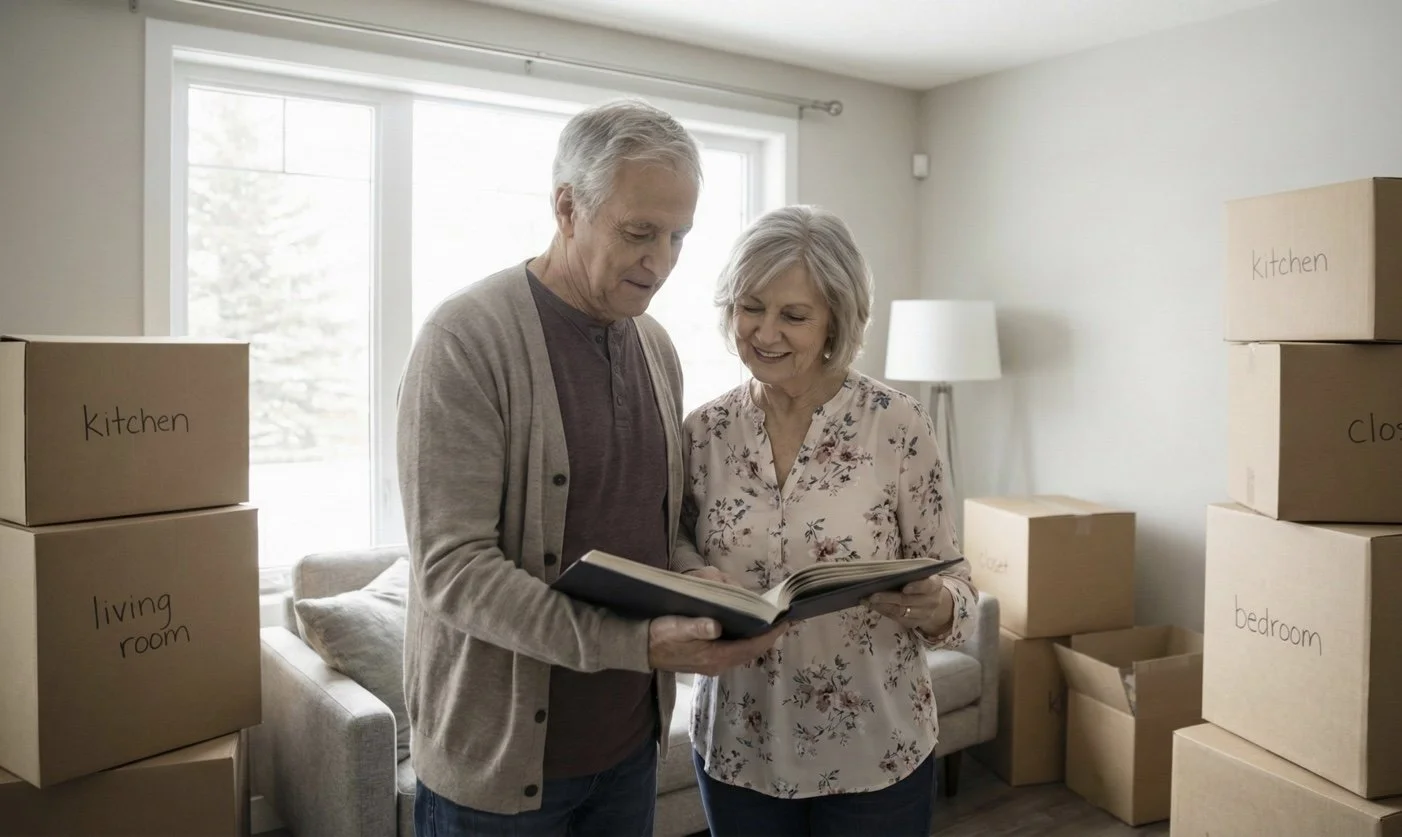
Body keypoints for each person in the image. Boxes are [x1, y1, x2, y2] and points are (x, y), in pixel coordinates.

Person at [396, 98, 785, 837]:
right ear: (568, 207)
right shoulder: (466, 340)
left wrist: (691, 572)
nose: (661, 261)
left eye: (678, 236)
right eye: (639, 232)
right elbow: (453, 570)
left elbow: (653, 521)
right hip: (501, 775)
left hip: (629, 749)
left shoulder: (656, 347)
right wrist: (635, 645)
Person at [682, 205, 979, 837]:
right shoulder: (702, 430)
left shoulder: (897, 424)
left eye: (793, 315)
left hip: (877, 745)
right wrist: (691, 571)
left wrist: (938, 607)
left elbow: (959, 589)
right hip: (738, 744)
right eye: (749, 306)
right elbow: (674, 544)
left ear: (836, 322)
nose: (764, 331)